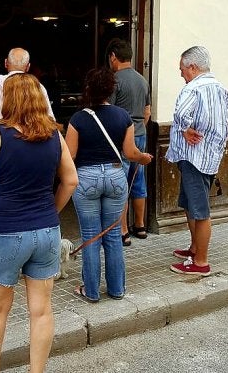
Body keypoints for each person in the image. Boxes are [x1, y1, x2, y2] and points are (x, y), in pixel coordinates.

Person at [0, 73, 78, 373]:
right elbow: (71, 180)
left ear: (8, 99)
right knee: (42, 310)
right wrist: (51, 211)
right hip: (46, 230)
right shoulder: (55, 136)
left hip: (4, 230)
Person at [65, 67, 152, 302]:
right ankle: (116, 289)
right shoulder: (122, 116)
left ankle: (91, 291)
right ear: (111, 90)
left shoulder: (78, 119)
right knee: (113, 235)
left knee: (91, 236)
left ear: (87, 90)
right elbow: (130, 152)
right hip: (115, 176)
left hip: (86, 178)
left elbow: (69, 156)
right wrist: (143, 158)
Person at [166, 46, 228, 276]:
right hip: (209, 156)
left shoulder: (193, 88)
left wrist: (184, 129)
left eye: (182, 69)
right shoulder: (220, 88)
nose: (181, 74)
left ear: (192, 67)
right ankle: (194, 248)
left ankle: (201, 262)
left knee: (200, 211)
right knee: (192, 206)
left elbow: (181, 114)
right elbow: (223, 123)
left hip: (194, 157)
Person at [107, 38, 151, 245]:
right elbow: (147, 111)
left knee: (121, 183)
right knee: (138, 180)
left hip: (121, 137)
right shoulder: (142, 80)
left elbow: (110, 112)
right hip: (140, 133)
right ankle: (140, 226)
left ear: (113, 57)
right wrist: (139, 127)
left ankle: (123, 231)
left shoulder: (114, 80)